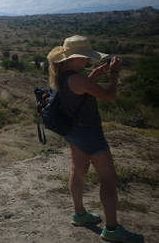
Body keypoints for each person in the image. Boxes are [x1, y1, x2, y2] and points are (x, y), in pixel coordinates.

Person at [47, 35, 144, 243]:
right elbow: (109, 95)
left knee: (78, 171)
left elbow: (81, 89)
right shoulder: (78, 78)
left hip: (73, 131)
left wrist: (97, 73)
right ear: (75, 58)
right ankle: (111, 229)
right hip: (89, 133)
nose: (88, 61)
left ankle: (80, 215)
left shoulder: (63, 76)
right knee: (108, 179)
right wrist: (114, 75)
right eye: (85, 57)